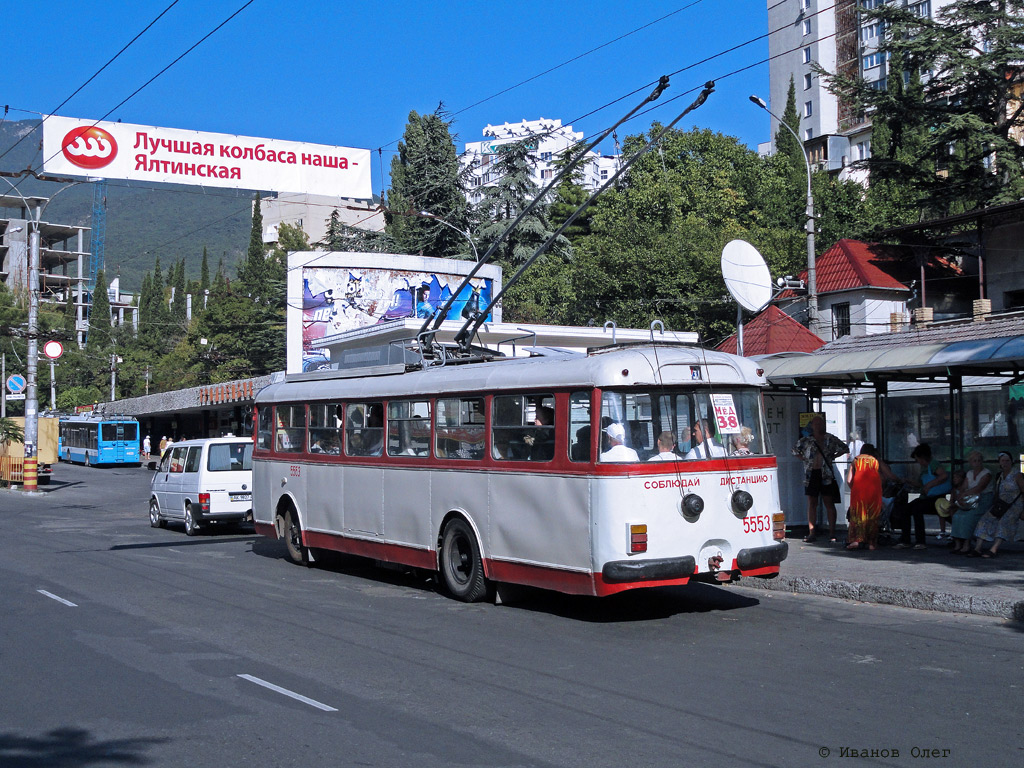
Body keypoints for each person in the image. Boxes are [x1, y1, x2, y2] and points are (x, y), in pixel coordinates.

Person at [792, 415, 849, 543]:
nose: (818, 426)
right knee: (812, 503)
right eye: (816, 424)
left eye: (821, 424)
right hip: (812, 474)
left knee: (829, 502)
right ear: (812, 425)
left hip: (826, 474)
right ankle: (812, 532)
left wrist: (833, 456)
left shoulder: (829, 439)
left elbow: (845, 448)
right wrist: (806, 460)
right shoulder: (807, 440)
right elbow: (795, 450)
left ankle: (832, 533)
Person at [894, 443, 949, 550]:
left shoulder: (933, 464)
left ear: (922, 457)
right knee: (906, 509)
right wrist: (909, 481)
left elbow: (944, 475)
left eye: (917, 459)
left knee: (916, 508)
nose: (917, 462)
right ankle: (905, 539)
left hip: (936, 498)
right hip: (926, 497)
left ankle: (920, 541)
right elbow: (921, 485)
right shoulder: (924, 469)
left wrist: (930, 484)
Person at [969, 451, 1024, 558]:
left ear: (1012, 462)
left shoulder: (1017, 475)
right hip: (1001, 504)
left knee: (1004, 521)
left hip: (1015, 505)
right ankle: (977, 548)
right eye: (1003, 461)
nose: (1005, 463)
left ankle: (994, 549)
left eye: (1007, 460)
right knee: (985, 519)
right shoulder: (1000, 475)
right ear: (999, 462)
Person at [845, 443, 898, 550]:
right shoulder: (876, 460)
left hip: (858, 492)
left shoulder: (856, 460)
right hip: (874, 492)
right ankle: (871, 543)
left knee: (857, 515)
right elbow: (890, 476)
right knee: (872, 516)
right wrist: (901, 480)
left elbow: (849, 480)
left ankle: (856, 541)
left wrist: (855, 489)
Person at [951, 451, 992, 554]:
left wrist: (964, 494)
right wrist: (960, 497)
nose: (977, 463)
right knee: (957, 515)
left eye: (979, 460)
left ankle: (967, 544)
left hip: (983, 500)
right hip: (970, 499)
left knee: (969, 517)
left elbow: (979, 488)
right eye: (974, 460)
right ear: (970, 462)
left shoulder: (987, 474)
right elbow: (963, 487)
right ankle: (957, 544)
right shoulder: (969, 473)